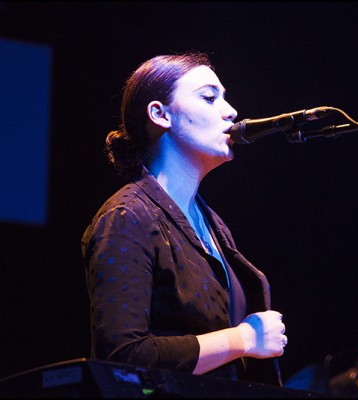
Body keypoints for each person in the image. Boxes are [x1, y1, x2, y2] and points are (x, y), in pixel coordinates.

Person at [81, 52, 287, 387]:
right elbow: (122, 357)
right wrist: (242, 340)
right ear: (160, 114)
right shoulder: (127, 217)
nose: (231, 110)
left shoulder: (213, 225)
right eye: (209, 97)